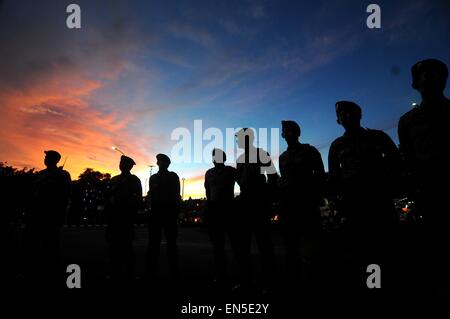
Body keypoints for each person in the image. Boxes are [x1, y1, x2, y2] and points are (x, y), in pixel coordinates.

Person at [328, 101, 401, 289]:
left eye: (350, 113)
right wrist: (338, 201)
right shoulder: (336, 146)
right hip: (354, 203)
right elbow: (334, 178)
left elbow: (396, 161)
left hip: (379, 199)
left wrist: (387, 181)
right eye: (342, 115)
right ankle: (372, 285)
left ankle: (390, 282)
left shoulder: (378, 137)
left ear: (359, 115)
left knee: (386, 244)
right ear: (338, 120)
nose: (347, 117)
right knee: (362, 248)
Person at [398, 58, 450, 293]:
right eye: (423, 75)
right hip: (428, 185)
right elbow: (408, 156)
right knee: (435, 241)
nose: (429, 79)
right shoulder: (408, 121)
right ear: (414, 83)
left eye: (435, 74)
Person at [278, 120, 325, 282]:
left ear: (298, 133)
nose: (288, 134)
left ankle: (315, 277)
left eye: (291, 131)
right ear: (283, 135)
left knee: (313, 244)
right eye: (285, 132)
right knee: (291, 246)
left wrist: (317, 195)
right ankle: (295, 280)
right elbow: (283, 179)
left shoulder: (309, 151)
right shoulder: (283, 157)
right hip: (289, 205)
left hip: (307, 203)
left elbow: (320, 174)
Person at [234, 128, 278, 291]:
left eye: (239, 138)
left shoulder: (261, 154)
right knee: (243, 246)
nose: (238, 141)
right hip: (245, 204)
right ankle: (246, 281)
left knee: (264, 244)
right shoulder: (239, 159)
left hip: (259, 203)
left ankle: (270, 282)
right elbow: (239, 180)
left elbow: (273, 177)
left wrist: (265, 195)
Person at [25, 150, 71, 286]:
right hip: (37, 213)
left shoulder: (63, 175)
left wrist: (61, 213)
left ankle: (52, 272)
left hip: (52, 214)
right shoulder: (41, 174)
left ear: (55, 160)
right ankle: (37, 271)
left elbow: (66, 194)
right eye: (45, 157)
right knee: (34, 244)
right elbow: (33, 192)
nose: (45, 159)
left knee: (50, 245)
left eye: (48, 157)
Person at [105, 155, 142, 283]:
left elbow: (138, 198)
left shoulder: (133, 180)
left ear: (130, 166)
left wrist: (132, 210)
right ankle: (116, 271)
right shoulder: (114, 179)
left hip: (126, 215)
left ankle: (129, 273)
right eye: (121, 163)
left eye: (125, 164)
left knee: (126, 245)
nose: (121, 165)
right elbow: (108, 196)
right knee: (113, 245)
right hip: (114, 216)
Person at [204, 148, 237, 287]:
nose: (215, 158)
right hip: (214, 210)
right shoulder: (209, 173)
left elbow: (242, 182)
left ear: (223, 158)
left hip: (229, 209)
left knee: (236, 244)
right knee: (218, 245)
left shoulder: (231, 171)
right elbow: (208, 191)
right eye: (214, 156)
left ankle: (240, 276)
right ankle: (221, 275)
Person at [146, 153, 181, 279]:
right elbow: (151, 195)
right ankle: (150, 269)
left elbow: (177, 194)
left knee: (171, 242)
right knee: (153, 242)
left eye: (161, 161)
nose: (158, 163)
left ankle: (174, 270)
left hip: (169, 212)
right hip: (156, 212)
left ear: (167, 163)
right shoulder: (153, 178)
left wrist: (177, 210)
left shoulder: (173, 176)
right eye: (158, 161)